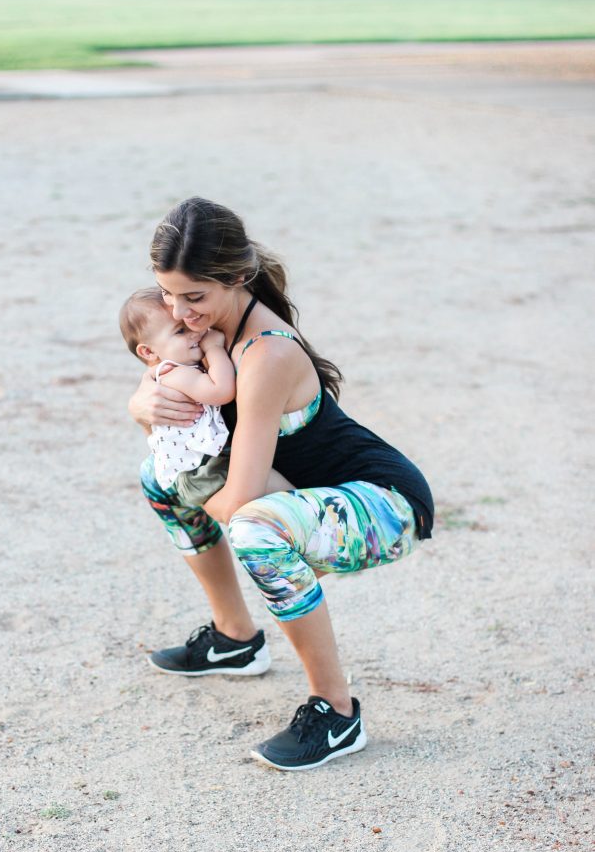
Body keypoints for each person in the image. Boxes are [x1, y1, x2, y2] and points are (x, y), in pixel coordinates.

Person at [127, 197, 434, 772]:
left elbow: (240, 495)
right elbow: (170, 409)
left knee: (253, 528)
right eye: (169, 294)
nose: (180, 311)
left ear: (238, 278)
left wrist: (181, 476)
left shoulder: (264, 353)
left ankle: (337, 715)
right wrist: (140, 405)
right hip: (304, 494)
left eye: (195, 297)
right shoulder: (199, 332)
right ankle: (234, 638)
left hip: (385, 503)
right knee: (158, 477)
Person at [120, 287, 293, 507]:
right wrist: (213, 349)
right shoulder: (174, 374)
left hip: (207, 464)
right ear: (148, 352)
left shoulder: (181, 367)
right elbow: (221, 391)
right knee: (279, 489)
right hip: (201, 472)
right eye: (180, 331)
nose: (195, 332)